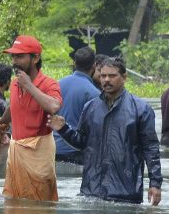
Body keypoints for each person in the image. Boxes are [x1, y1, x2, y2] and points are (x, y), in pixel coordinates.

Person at [49, 58, 162, 205]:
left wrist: (155, 184)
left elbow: (151, 149)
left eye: (112, 76)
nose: (106, 80)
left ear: (124, 77)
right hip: (91, 191)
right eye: (103, 76)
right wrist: (63, 129)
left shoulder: (140, 109)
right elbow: (82, 143)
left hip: (126, 193)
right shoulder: (91, 107)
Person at [0, 35, 63, 201]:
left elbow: (54, 106)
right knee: (13, 208)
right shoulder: (14, 84)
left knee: (39, 209)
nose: (14, 61)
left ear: (35, 58)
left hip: (39, 158)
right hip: (16, 155)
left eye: (20, 56)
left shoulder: (49, 83)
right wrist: (1, 123)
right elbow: (15, 106)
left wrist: (29, 85)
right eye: (13, 56)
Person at [55, 46, 100, 164]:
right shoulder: (94, 93)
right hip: (75, 152)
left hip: (52, 149)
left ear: (74, 63)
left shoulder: (57, 84)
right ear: (94, 65)